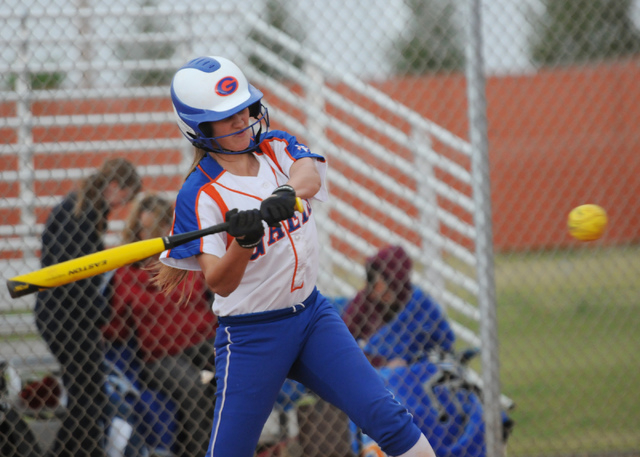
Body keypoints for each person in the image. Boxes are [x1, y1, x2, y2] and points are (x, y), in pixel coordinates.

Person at [154, 55, 436, 457]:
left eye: (244, 108)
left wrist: (286, 194)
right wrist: (244, 241)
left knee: (388, 418)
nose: (241, 120)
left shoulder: (274, 147)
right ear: (198, 128)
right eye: (226, 116)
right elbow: (219, 281)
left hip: (312, 316)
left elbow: (307, 172)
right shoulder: (198, 194)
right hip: (252, 336)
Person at [34, 158, 142, 457]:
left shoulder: (83, 209)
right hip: (66, 319)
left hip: (68, 318)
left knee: (89, 399)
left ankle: (73, 451)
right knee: (89, 400)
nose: (123, 205)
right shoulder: (79, 213)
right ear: (115, 187)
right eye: (126, 197)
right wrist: (99, 311)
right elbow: (72, 275)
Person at [102, 193, 218, 457]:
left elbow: (211, 295)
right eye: (148, 228)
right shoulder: (127, 274)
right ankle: (203, 453)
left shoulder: (186, 259)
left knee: (236, 371)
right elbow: (117, 328)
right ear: (137, 230)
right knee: (193, 389)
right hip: (161, 355)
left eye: (161, 226)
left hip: (202, 340)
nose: (154, 234)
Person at [342, 245, 456, 368]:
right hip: (374, 371)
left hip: (418, 368)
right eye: (373, 286)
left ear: (396, 284)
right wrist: (382, 363)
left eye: (384, 289)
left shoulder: (419, 305)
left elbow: (445, 343)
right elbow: (341, 343)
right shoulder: (365, 300)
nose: (376, 294)